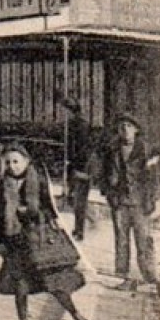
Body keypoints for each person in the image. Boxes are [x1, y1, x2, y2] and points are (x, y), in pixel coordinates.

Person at [0, 142, 92, 320]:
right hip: (15, 240)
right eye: (8, 162)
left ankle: (76, 315)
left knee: (53, 283)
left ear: (26, 161)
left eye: (16, 161)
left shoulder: (37, 179)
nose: (12, 166)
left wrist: (32, 212)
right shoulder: (1, 186)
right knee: (20, 285)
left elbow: (50, 208)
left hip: (38, 238)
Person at [98, 114, 160, 292]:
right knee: (121, 241)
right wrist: (109, 194)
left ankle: (150, 277)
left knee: (144, 241)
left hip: (140, 204)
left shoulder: (146, 151)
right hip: (120, 203)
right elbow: (103, 174)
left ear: (136, 129)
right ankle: (124, 277)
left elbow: (154, 179)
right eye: (121, 126)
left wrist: (152, 200)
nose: (125, 130)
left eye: (129, 126)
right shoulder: (112, 150)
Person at [61, 98, 97, 241]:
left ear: (71, 111)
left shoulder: (81, 126)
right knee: (74, 198)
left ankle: (80, 230)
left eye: (65, 111)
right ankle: (88, 220)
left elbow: (84, 149)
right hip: (74, 166)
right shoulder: (71, 125)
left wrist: (76, 163)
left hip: (82, 167)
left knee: (78, 199)